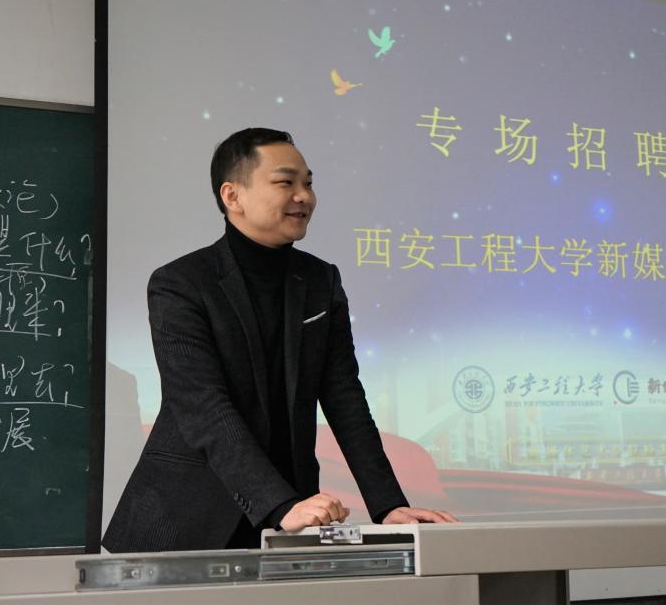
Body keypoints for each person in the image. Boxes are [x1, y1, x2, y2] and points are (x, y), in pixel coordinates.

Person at [103, 128, 455, 552]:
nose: (304, 196)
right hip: (188, 517)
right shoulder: (179, 284)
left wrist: (388, 505)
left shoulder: (321, 280)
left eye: (308, 183)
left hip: (292, 515)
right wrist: (278, 503)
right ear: (233, 196)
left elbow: (344, 396)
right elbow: (203, 406)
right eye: (286, 182)